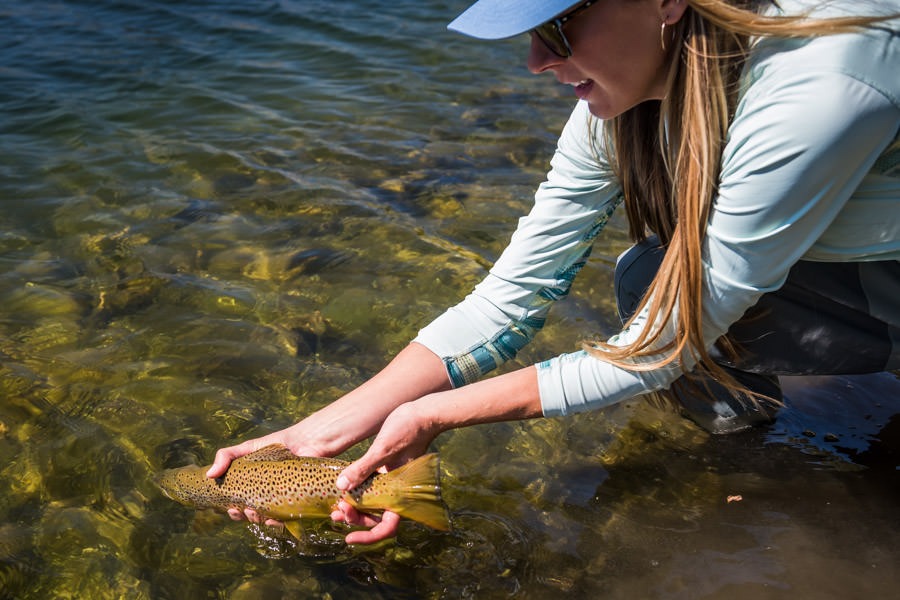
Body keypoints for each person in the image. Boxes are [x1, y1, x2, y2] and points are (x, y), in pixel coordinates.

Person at [206, 0, 900, 544]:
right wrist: (321, 432)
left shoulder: (819, 89)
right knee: (650, 276)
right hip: (856, 267)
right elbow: (511, 297)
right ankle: (756, 471)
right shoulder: (618, 103)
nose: (536, 60)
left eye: (558, 27)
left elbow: (665, 343)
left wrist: (432, 415)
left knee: (658, 290)